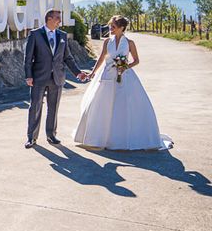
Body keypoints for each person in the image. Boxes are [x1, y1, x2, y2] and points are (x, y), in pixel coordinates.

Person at [73, 15, 173, 150]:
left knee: (123, 106)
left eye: (113, 26)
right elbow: (102, 58)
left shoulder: (130, 43)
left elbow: (136, 60)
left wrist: (124, 67)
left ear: (122, 28)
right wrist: (92, 73)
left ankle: (120, 139)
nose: (110, 28)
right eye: (110, 26)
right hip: (106, 76)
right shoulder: (107, 41)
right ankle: (97, 138)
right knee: (100, 105)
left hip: (124, 77)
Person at [24, 10, 88, 148]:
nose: (60, 21)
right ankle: (32, 137)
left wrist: (77, 73)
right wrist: (28, 75)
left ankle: (51, 135)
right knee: (35, 107)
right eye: (58, 18)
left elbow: (67, 58)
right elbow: (28, 58)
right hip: (38, 78)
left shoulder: (63, 35)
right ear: (49, 19)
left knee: (53, 108)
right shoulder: (35, 34)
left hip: (57, 78)